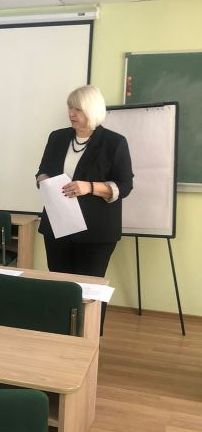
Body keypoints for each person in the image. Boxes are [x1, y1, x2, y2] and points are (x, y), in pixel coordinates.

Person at [36, 85, 133, 319]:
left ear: (92, 109)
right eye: (70, 107)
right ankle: (59, 333)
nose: (71, 113)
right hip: (58, 225)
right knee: (60, 285)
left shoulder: (114, 142)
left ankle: (89, 338)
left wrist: (89, 187)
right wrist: (45, 181)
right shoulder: (57, 137)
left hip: (96, 231)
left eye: (78, 109)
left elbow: (125, 185)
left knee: (90, 289)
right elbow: (42, 171)